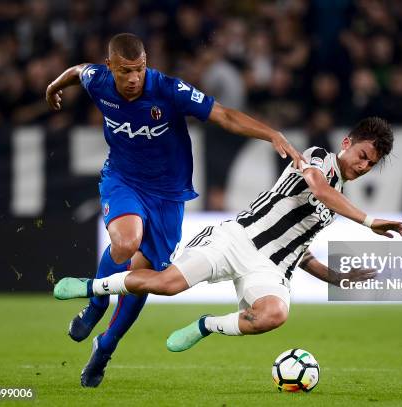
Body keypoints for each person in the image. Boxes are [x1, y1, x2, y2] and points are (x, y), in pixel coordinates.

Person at [45, 33, 304, 387]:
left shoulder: (168, 89)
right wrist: (54, 86)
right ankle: (95, 305)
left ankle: (105, 346)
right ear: (111, 68)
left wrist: (271, 133)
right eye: (125, 72)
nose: (134, 78)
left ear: (146, 62)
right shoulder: (98, 81)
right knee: (125, 243)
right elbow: (78, 71)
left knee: (143, 278)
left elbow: (224, 115)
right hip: (123, 179)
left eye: (139, 69)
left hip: (168, 195)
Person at [54, 116, 402, 352]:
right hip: (237, 239)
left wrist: (338, 278)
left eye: (370, 164)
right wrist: (368, 222)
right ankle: (92, 287)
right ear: (346, 143)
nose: (363, 166)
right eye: (362, 155)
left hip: (268, 269)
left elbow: (300, 252)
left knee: (274, 315)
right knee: (167, 285)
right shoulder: (318, 158)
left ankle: (206, 325)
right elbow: (317, 187)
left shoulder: (337, 203)